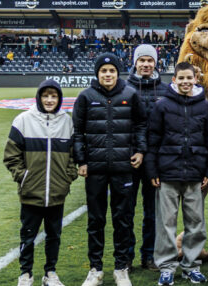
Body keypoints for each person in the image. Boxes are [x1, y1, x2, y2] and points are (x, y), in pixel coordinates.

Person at [73, 53, 147, 286]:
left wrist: (140, 151)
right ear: (97, 73)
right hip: (95, 169)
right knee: (95, 220)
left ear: (118, 72)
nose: (107, 74)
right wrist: (81, 160)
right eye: (103, 71)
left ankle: (121, 268)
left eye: (112, 70)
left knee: (122, 219)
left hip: (123, 168)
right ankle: (95, 269)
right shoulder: (86, 97)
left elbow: (141, 125)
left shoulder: (130, 94)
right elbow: (77, 132)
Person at [146, 62, 208, 286]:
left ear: (196, 79)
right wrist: (152, 169)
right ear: (174, 79)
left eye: (189, 78)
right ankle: (166, 267)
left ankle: (191, 266)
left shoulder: (205, 107)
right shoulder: (162, 106)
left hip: (195, 173)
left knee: (196, 223)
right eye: (181, 78)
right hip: (167, 173)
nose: (185, 82)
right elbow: (152, 140)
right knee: (166, 223)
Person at [4, 80, 76, 286]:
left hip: (56, 193)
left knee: (54, 235)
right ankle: (25, 274)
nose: (50, 100)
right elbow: (11, 156)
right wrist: (23, 177)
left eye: (54, 96)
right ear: (39, 97)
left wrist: (66, 178)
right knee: (28, 236)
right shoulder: (23, 120)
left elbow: (73, 156)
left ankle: (50, 273)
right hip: (31, 193)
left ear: (59, 99)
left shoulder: (67, 122)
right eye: (46, 96)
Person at [126, 44, 169, 271]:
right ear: (135, 62)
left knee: (153, 212)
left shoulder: (165, 90)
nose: (145, 64)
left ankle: (149, 256)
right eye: (141, 60)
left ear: (155, 63)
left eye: (149, 60)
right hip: (130, 159)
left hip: (155, 161)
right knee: (127, 210)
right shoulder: (123, 89)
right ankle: (127, 256)